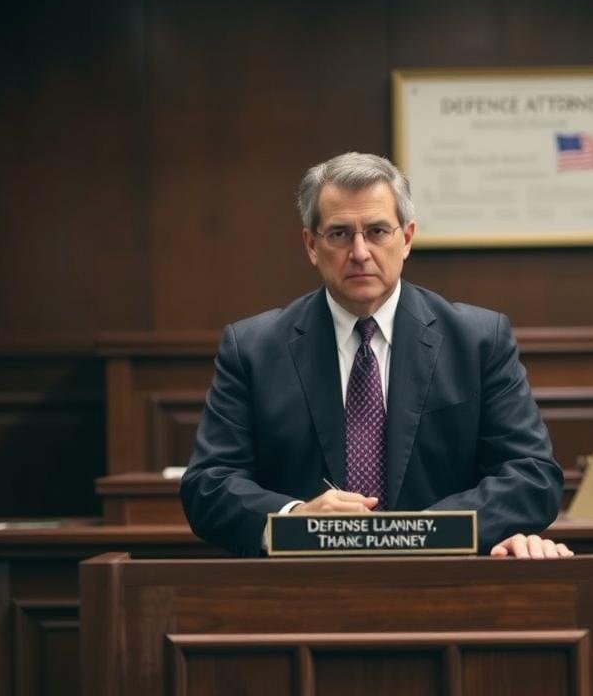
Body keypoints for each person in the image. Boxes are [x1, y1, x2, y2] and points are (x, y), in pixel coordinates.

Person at [180, 152, 571, 559]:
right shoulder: (253, 349)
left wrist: (425, 532)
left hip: (442, 578)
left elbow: (532, 475)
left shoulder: (477, 341)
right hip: (303, 581)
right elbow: (208, 484)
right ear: (311, 245)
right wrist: (295, 519)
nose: (360, 252)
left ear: (407, 238)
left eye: (377, 231)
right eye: (339, 234)